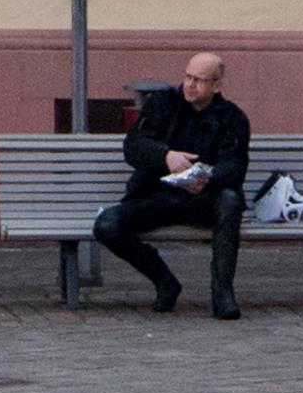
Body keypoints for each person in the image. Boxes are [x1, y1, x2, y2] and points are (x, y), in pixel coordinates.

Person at [91, 48, 252, 317]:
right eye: (187, 76)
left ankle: (223, 293)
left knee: (230, 200)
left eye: (199, 80)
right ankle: (165, 281)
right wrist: (165, 156)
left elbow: (235, 165)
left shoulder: (233, 118)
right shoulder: (162, 103)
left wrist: (207, 179)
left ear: (217, 85)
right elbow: (133, 147)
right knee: (107, 225)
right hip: (157, 195)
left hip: (203, 199)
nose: (190, 84)